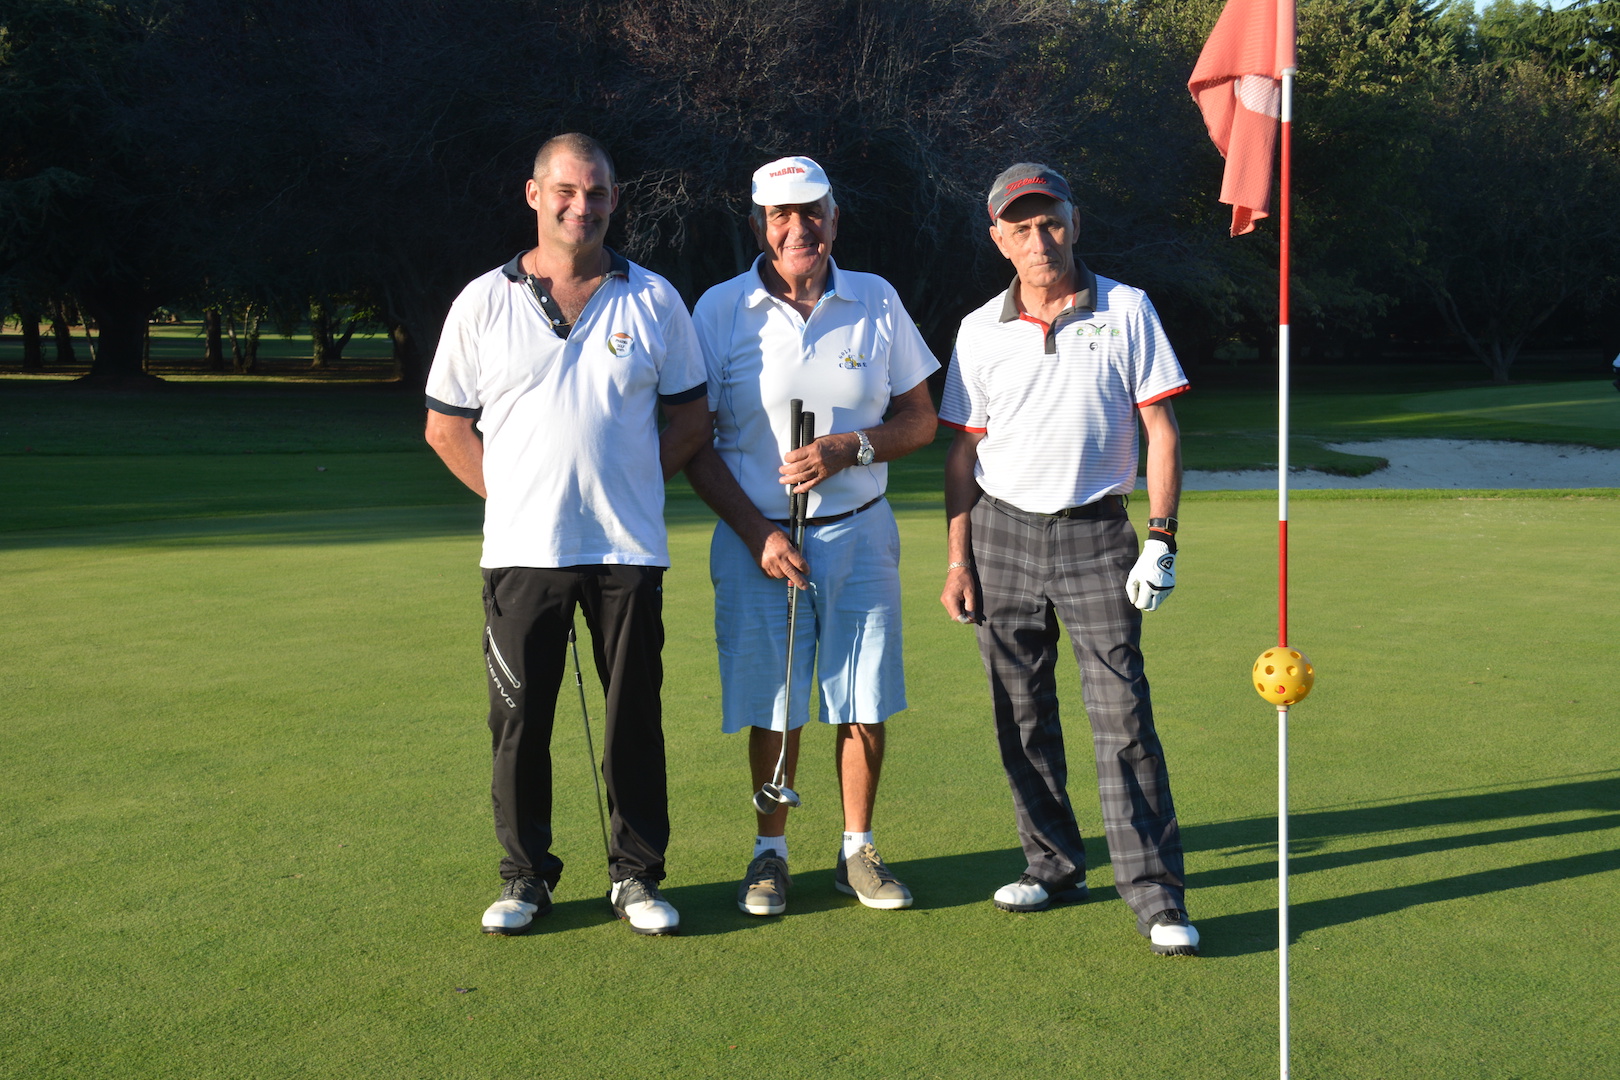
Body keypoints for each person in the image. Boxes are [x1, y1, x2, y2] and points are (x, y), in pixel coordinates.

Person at [424, 133, 711, 937]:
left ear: (616, 201)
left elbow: (691, 418)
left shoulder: (653, 299)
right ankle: (526, 878)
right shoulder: (483, 300)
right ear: (533, 194)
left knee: (634, 719)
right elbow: (445, 428)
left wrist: (630, 486)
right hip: (522, 556)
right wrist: (516, 498)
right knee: (519, 722)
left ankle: (637, 876)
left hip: (627, 553)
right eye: (565, 190)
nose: (580, 206)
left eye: (597, 193)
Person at [937, 163, 1199, 956]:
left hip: (1097, 533)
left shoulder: (1127, 309)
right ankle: (1051, 864)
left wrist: (1162, 536)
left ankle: (1156, 896)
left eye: (1051, 222)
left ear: (1075, 224)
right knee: (1019, 714)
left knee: (1121, 716)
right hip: (1001, 533)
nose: (1039, 240)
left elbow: (1162, 430)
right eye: (1021, 228)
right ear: (999, 241)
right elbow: (960, 455)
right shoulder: (980, 328)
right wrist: (958, 559)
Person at [685, 156, 939, 917]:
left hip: (859, 530)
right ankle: (771, 853)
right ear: (761, 225)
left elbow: (919, 419)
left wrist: (849, 448)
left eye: (813, 213)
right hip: (757, 542)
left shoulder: (877, 299)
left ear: (835, 218)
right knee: (776, 703)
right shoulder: (719, 310)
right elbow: (695, 444)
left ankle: (857, 849)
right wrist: (758, 532)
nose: (800, 229)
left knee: (863, 698)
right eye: (782, 216)